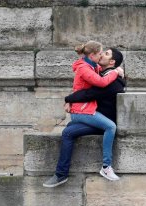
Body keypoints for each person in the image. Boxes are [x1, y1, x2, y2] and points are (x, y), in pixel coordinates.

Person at [43, 42, 123, 188]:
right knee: (68, 132)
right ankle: (61, 174)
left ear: (111, 61)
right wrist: (69, 99)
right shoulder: (97, 70)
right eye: (101, 52)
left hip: (104, 122)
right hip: (94, 118)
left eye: (105, 53)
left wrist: (69, 99)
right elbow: (87, 89)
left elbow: (89, 93)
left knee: (110, 126)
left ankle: (106, 166)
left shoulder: (113, 79)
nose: (102, 54)